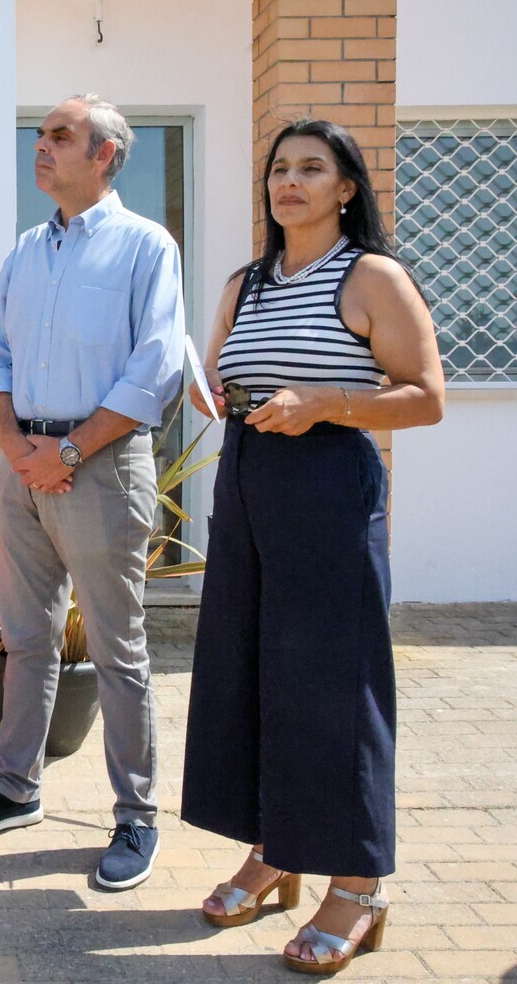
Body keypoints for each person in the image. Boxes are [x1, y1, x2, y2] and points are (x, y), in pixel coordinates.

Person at [180, 119, 444, 975]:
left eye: (311, 169)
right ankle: (278, 850)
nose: (289, 181)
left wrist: (327, 401)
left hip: (328, 480)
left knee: (336, 684)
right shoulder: (245, 281)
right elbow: (225, 375)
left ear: (346, 189)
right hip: (249, 478)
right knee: (253, 670)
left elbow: (425, 396)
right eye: (279, 169)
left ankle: (359, 885)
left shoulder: (372, 276)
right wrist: (210, 385)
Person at [0, 95, 185, 894]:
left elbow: (156, 366)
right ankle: (17, 788)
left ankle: (137, 816)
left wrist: (72, 449)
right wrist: (15, 448)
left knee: (117, 648)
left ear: (105, 156)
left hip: (101, 465)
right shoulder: (26, 251)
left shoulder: (146, 247)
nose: (40, 146)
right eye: (41, 134)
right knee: (26, 634)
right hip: (24, 466)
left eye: (59, 136)